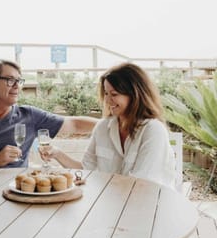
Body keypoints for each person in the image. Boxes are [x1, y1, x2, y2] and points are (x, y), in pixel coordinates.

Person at [39, 62, 176, 188]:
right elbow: (86, 169)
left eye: (114, 94)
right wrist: (57, 154)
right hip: (113, 203)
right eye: (106, 93)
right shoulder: (103, 127)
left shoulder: (153, 131)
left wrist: (97, 182)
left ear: (135, 95)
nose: (108, 100)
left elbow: (141, 184)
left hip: (148, 207)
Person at [0, 59, 98, 170]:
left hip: (18, 191)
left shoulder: (29, 115)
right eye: (10, 80)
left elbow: (73, 124)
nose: (17, 86)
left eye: (19, 81)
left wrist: (112, 123)